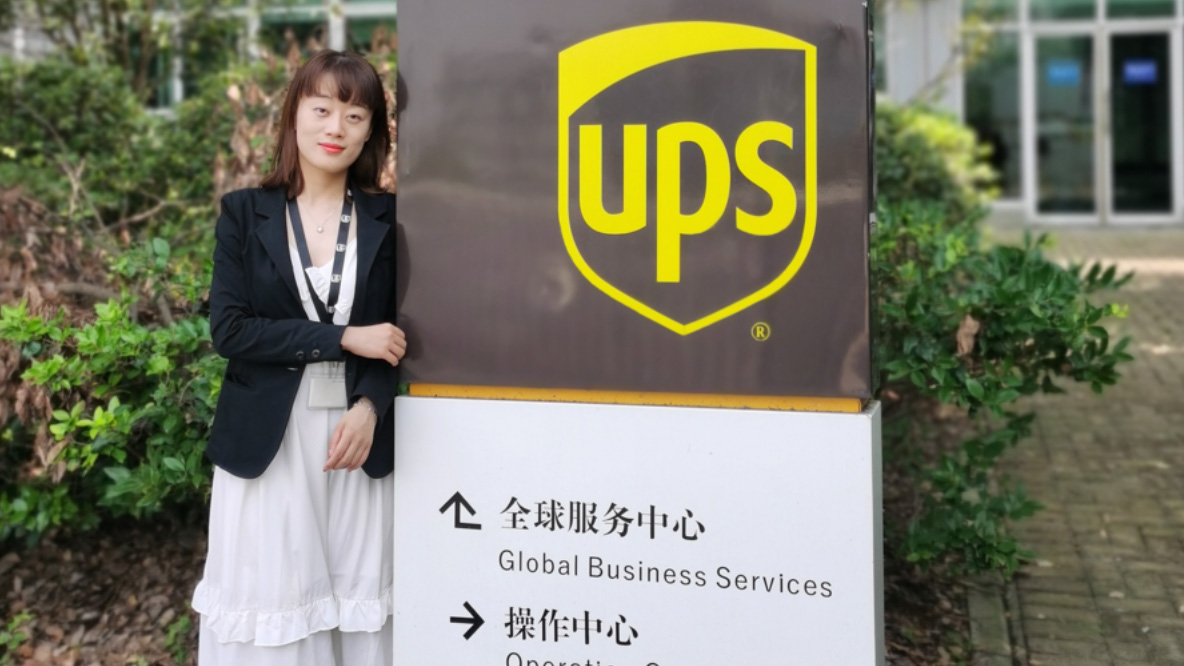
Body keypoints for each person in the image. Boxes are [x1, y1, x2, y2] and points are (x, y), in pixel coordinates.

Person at [191, 50, 404, 666]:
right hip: (270, 444)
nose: (335, 128)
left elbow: (405, 333)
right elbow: (230, 330)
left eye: (356, 115)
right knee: (277, 600)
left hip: (354, 445)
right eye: (322, 109)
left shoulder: (390, 220)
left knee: (357, 596)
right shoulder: (243, 213)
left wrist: (371, 406)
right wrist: (341, 337)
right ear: (294, 116)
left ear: (371, 132)